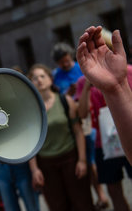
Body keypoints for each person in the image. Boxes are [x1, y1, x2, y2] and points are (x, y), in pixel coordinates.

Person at [76, 26, 132, 211]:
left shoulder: (128, 71)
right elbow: (82, 113)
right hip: (103, 144)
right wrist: (109, 87)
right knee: (114, 190)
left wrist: (118, 85)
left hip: (123, 138)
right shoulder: (85, 80)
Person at [27, 64, 94, 211]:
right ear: (30, 84)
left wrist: (82, 160)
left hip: (71, 160)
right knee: (58, 206)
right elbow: (30, 142)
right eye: (34, 78)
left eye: (42, 76)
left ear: (51, 79)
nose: (39, 80)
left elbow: (78, 131)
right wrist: (35, 170)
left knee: (82, 203)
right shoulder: (31, 110)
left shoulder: (65, 101)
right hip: (47, 165)